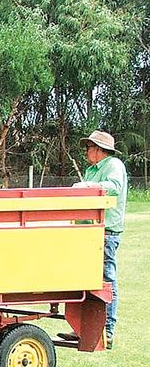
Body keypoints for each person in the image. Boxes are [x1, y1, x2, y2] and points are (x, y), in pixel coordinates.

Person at [58, 130, 128, 349]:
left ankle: (107, 330)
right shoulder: (91, 170)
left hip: (106, 231)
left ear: (99, 150)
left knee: (106, 279)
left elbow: (113, 188)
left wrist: (88, 186)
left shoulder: (114, 165)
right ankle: (84, 327)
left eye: (89, 147)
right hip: (88, 231)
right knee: (86, 279)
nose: (87, 151)